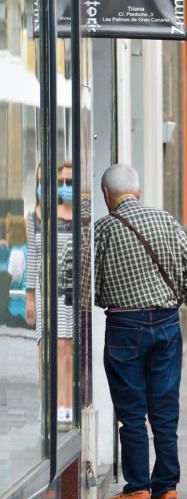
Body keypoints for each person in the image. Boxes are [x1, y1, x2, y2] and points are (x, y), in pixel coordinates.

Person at [94, 164, 187, 499]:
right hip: (166, 323)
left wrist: (106, 297)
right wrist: (180, 298)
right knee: (164, 408)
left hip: (123, 326)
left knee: (131, 412)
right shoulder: (165, 221)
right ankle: (166, 486)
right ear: (138, 191)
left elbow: (79, 279)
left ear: (106, 196)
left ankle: (138, 487)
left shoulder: (102, 230)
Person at [26, 162, 76, 424]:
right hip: (44, 294)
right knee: (45, 352)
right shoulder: (33, 216)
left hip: (65, 293)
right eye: (40, 180)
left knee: (64, 350)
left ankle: (63, 408)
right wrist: (30, 296)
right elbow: (33, 257)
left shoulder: (67, 214)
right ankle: (48, 408)